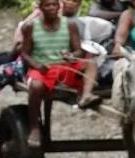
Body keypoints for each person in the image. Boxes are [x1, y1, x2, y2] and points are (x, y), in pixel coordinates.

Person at [18, 0, 97, 145]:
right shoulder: (31, 26)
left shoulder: (69, 24)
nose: (51, 8)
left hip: (64, 67)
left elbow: (78, 50)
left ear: (59, 6)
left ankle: (86, 95)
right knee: (36, 87)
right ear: (41, 8)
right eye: (47, 5)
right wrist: (36, 64)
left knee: (91, 63)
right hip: (43, 68)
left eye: (54, 5)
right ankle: (35, 127)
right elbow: (24, 53)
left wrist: (71, 55)